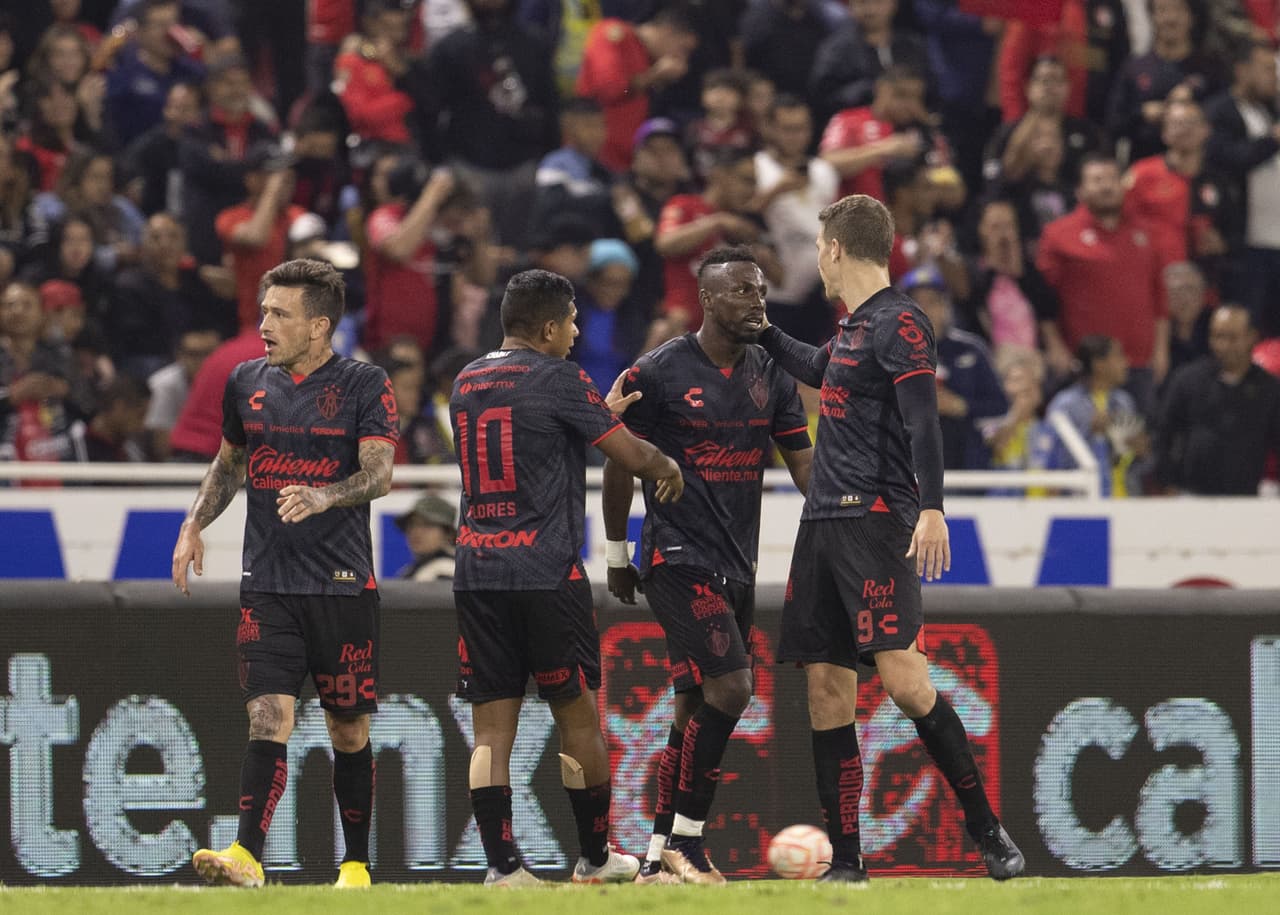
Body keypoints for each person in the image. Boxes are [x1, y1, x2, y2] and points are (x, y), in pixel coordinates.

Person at [754, 194, 1024, 883]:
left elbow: (923, 420)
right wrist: (760, 332)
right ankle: (847, 861)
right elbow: (820, 371)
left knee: (905, 681)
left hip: (876, 520)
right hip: (821, 526)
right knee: (825, 693)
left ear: (837, 248)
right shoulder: (851, 330)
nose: (816, 257)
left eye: (819, 246)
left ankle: (986, 828)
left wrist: (932, 507)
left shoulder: (901, 321)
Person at [449, 268, 684, 886]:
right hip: (544, 573)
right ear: (549, 327)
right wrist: (667, 465)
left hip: (476, 569)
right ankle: (598, 858)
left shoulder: (467, 379)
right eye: (573, 321)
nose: (578, 332)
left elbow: (528, 436)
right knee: (576, 716)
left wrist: (591, 414)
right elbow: (631, 456)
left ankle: (503, 871)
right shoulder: (559, 378)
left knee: (491, 728)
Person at [172, 259, 398, 889]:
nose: (263, 324)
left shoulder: (365, 384)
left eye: (279, 314)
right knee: (268, 715)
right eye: (264, 311)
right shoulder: (246, 381)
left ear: (319, 325)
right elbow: (227, 465)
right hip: (267, 581)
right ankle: (247, 855)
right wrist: (194, 524)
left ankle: (355, 865)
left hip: (343, 583)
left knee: (346, 727)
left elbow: (380, 475)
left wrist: (324, 496)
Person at [601, 246, 813, 884]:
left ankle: (658, 853)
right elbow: (618, 460)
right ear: (709, 299)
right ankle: (688, 845)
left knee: (693, 705)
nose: (757, 302)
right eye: (743, 292)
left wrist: (847, 510)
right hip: (675, 557)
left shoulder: (772, 376)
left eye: (760, 291)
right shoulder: (658, 371)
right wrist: (616, 553)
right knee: (734, 687)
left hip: (737, 561)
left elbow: (802, 462)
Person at [1154, 304, 1280, 494]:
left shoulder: (1269, 389)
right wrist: (1167, 481)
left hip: (1247, 500)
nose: (1223, 345)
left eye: (1232, 337)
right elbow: (1163, 433)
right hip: (1190, 497)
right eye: (1217, 336)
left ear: (1251, 337)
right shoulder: (1188, 380)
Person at [395, 492, 457, 580]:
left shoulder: (447, 569)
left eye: (427, 525)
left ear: (448, 534)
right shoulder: (412, 569)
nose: (416, 532)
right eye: (412, 524)